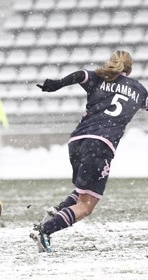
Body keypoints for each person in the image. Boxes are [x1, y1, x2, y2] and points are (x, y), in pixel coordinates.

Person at [30, 50, 148, 253]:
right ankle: (45, 230)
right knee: (86, 205)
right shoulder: (139, 90)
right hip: (101, 144)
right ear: (130, 69)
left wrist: (57, 84)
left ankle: (58, 211)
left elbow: (80, 74)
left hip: (77, 141)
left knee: (83, 189)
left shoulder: (98, 77)